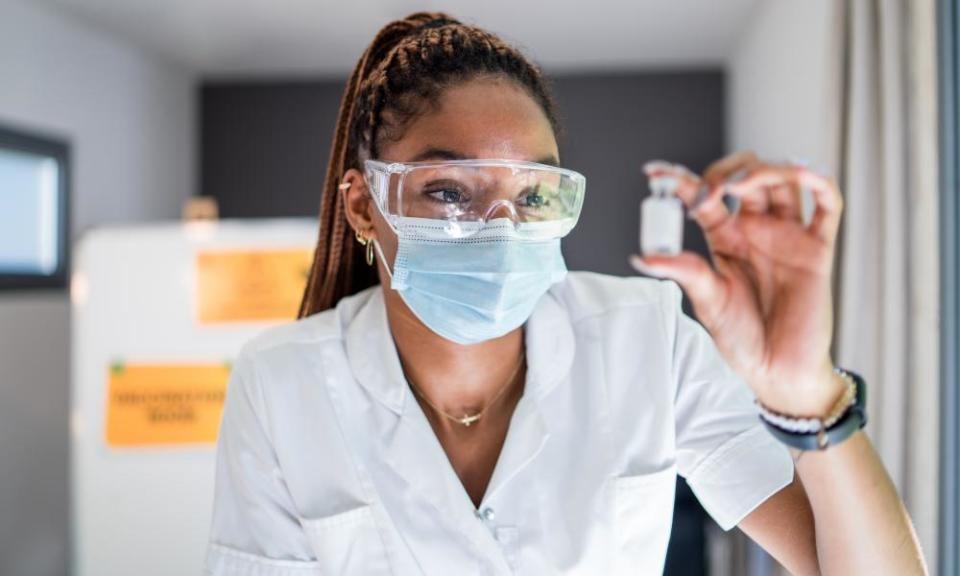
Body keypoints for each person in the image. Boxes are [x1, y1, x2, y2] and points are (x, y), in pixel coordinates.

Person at [204, 12, 927, 575]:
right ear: (366, 207)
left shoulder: (645, 338)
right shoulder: (282, 383)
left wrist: (807, 394)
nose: (501, 227)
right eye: (450, 191)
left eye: (534, 193)